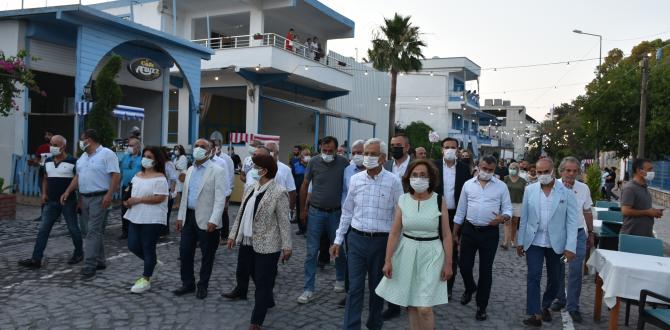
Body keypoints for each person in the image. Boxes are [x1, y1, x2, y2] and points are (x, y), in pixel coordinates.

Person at [330, 138, 403, 330]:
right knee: (354, 288)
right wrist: (338, 240)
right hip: (356, 240)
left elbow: (399, 215)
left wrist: (396, 248)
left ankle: (374, 324)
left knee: (377, 289)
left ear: (382, 158)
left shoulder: (394, 182)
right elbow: (347, 211)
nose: (367, 157)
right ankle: (351, 326)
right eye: (366, 153)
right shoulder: (355, 179)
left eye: (372, 154)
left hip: (381, 242)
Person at [375, 159, 453, 330]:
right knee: (411, 302)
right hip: (406, 252)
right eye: (415, 175)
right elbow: (394, 233)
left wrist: (448, 263)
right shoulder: (403, 200)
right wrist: (388, 260)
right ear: (408, 178)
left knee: (425, 308)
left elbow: (447, 234)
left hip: (432, 253)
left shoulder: (439, 200)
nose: (419, 178)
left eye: (423, 175)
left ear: (430, 178)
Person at [226, 154, 292, 330]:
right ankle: (268, 300)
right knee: (251, 274)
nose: (251, 169)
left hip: (268, 244)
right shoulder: (251, 188)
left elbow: (284, 222)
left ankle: (256, 321)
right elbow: (240, 213)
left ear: (264, 170)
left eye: (255, 167)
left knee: (263, 282)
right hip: (247, 241)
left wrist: (287, 246)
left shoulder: (279, 192)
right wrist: (232, 235)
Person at [517, 158, 578, 327]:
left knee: (556, 279)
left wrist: (570, 247)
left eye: (545, 172)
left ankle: (545, 305)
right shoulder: (529, 190)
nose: (542, 175)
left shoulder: (567, 193)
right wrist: (520, 241)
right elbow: (525, 218)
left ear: (553, 172)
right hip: (533, 242)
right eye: (539, 172)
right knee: (533, 275)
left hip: (558, 245)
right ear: (535, 172)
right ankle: (535, 314)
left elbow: (572, 222)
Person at [452, 155, 513, 321]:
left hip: (490, 233)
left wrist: (503, 218)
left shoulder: (501, 187)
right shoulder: (468, 185)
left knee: (485, 271)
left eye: (490, 170)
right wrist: (454, 233)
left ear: (494, 170)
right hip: (469, 230)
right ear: (478, 166)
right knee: (464, 266)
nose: (486, 172)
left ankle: (481, 306)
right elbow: (461, 210)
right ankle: (470, 287)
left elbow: (508, 209)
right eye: (484, 168)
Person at [60, 129, 120, 280]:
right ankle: (100, 261)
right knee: (91, 230)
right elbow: (78, 176)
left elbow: (115, 174)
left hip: (100, 197)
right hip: (85, 197)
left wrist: (109, 194)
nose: (80, 142)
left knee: (92, 231)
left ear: (90, 140)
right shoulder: (83, 157)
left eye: (82, 139)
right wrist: (68, 191)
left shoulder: (107, 154)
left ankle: (89, 265)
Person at [173, 139, 228, 299]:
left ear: (210, 150)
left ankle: (203, 285)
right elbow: (185, 196)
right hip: (189, 217)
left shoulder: (217, 170)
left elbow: (220, 198)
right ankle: (188, 283)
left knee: (207, 255)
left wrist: (215, 219)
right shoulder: (190, 169)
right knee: (185, 252)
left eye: (202, 147)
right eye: (196, 146)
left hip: (207, 218)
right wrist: (180, 216)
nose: (198, 149)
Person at [297, 136, 349, 304]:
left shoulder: (344, 163)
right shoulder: (313, 162)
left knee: (338, 247)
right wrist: (303, 209)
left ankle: (340, 278)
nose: (327, 153)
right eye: (324, 150)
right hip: (315, 212)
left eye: (330, 151)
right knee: (312, 251)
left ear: (336, 149)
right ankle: (308, 288)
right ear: (320, 148)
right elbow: (305, 185)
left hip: (336, 213)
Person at [18, 135, 83, 269]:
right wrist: (44, 194)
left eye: (55, 145)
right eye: (51, 144)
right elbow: (45, 179)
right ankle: (36, 259)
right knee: (43, 230)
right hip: (51, 202)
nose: (51, 147)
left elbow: (79, 182)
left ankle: (79, 253)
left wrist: (80, 201)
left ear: (63, 147)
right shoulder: (47, 161)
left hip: (68, 202)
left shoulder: (73, 162)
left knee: (73, 228)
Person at [550, 157, 594, 323]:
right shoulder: (553, 187)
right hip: (559, 234)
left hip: (577, 234)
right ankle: (560, 298)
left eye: (575, 171)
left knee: (576, 271)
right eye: (568, 170)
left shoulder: (583, 188)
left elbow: (587, 211)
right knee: (558, 268)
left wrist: (590, 232)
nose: (571, 174)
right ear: (561, 171)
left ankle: (573, 306)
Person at [122, 146, 169, 293]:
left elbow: (160, 197)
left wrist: (139, 200)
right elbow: (129, 192)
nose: (146, 159)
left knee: (148, 247)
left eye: (150, 157)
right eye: (145, 156)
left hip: (152, 218)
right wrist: (127, 201)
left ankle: (146, 278)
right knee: (132, 245)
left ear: (156, 160)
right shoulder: (137, 175)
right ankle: (152, 262)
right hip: (136, 215)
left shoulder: (160, 178)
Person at [434, 137, 471, 301]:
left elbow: (467, 194)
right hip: (435, 213)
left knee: (452, 251)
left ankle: (448, 286)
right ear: (442, 149)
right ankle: (433, 283)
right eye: (446, 147)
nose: (449, 150)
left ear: (457, 150)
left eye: (453, 147)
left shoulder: (463, 169)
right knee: (434, 249)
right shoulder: (433, 165)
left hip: (455, 215)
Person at [620, 158, 664, 237]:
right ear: (639, 171)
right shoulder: (630, 188)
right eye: (649, 169)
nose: (652, 172)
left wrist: (653, 211)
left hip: (645, 234)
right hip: (632, 235)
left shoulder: (644, 187)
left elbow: (642, 207)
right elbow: (625, 210)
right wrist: (648, 212)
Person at [209, 140, 235, 240]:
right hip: (211, 191)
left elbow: (230, 175)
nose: (215, 147)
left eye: (216, 145)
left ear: (220, 146)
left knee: (224, 212)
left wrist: (228, 193)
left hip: (223, 190)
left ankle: (224, 235)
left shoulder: (226, 159)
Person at [119, 137, 143, 239]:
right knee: (124, 208)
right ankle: (125, 231)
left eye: (131, 145)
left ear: (138, 146)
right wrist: (117, 184)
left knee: (136, 208)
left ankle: (135, 231)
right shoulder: (125, 157)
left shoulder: (142, 158)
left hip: (137, 186)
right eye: (128, 145)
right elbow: (120, 171)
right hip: (125, 186)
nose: (129, 147)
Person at [502, 162, 526, 249]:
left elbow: (525, 193)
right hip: (507, 203)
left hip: (518, 203)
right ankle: (505, 241)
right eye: (510, 168)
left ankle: (512, 240)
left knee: (515, 222)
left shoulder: (523, 181)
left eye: (514, 168)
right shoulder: (506, 178)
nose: (512, 170)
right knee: (507, 221)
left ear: (518, 169)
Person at [294, 148, 312, 235]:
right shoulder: (296, 165)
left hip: (309, 192)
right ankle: (301, 228)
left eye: (309, 155)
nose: (307, 157)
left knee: (308, 209)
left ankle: (308, 229)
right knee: (299, 209)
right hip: (298, 191)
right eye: (306, 155)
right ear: (301, 156)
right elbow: (293, 178)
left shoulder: (311, 165)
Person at [162, 147, 178, 239]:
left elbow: (173, 179)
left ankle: (164, 231)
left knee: (166, 212)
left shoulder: (169, 164)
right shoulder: (158, 163)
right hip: (159, 190)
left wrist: (171, 192)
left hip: (167, 190)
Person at [173, 144, 188, 210]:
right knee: (176, 190)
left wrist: (175, 166)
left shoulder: (183, 157)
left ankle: (178, 204)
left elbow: (180, 167)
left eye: (177, 149)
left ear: (180, 150)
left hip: (181, 175)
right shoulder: (176, 158)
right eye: (175, 149)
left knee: (178, 190)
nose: (175, 151)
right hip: (176, 175)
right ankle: (177, 204)